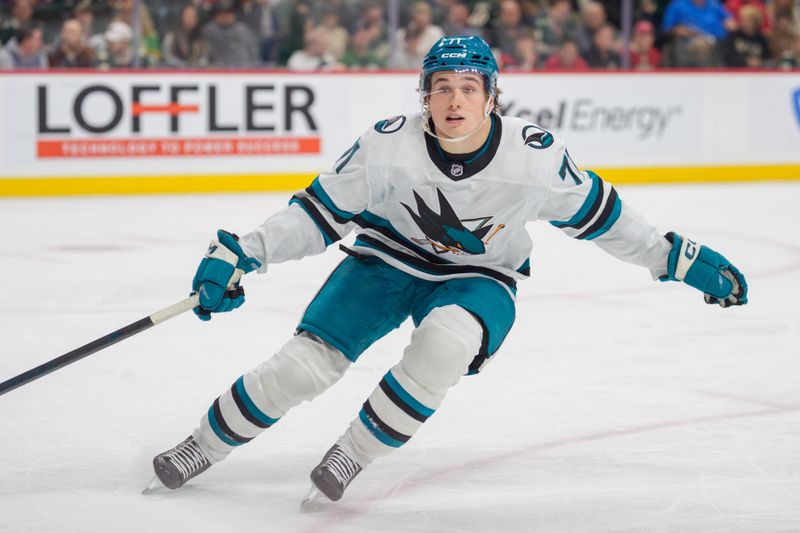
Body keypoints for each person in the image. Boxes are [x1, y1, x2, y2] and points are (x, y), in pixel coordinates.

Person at [149, 35, 748, 505]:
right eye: (441, 88)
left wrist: (676, 258)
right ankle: (202, 445)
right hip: (384, 261)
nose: (454, 100)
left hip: (480, 276)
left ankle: (353, 453)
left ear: (492, 96)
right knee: (301, 368)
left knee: (445, 345)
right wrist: (242, 253)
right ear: (424, 97)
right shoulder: (386, 146)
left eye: (468, 87)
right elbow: (316, 215)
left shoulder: (534, 159)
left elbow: (607, 220)